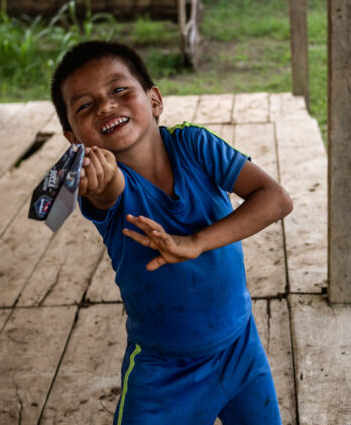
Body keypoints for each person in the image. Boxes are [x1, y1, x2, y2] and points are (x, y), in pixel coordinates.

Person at [50, 40, 293, 424]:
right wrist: (99, 176)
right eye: (85, 105)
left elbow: (276, 199)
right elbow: (109, 188)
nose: (106, 106)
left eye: (118, 90)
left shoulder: (195, 146)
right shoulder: (106, 187)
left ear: (155, 100)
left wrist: (195, 243)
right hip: (163, 373)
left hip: (240, 348)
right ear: (74, 141)